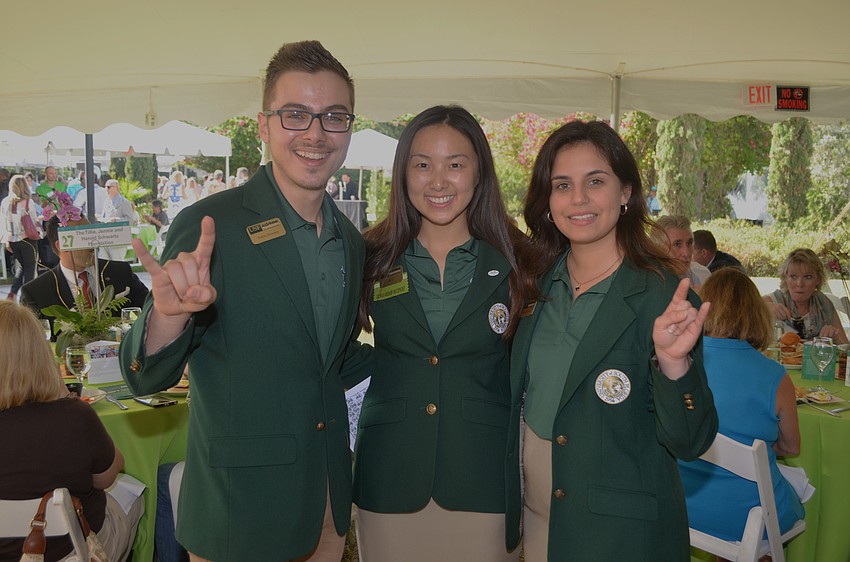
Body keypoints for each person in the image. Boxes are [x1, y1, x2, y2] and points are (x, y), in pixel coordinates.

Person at [119, 39, 365, 562]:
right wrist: (167, 315)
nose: (316, 134)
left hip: (325, 501)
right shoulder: (212, 224)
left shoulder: (351, 238)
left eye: (334, 116)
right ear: (263, 125)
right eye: (295, 115)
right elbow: (145, 375)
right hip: (242, 509)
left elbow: (331, 362)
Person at [506, 120, 718, 561]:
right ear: (548, 200)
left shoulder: (664, 295)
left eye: (595, 182)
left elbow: (691, 441)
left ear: (625, 193)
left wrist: (673, 366)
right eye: (562, 185)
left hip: (619, 534)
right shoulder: (535, 283)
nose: (578, 199)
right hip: (539, 518)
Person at [351, 105, 532, 562]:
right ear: (403, 173)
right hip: (390, 475)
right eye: (422, 164)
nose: (438, 181)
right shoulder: (368, 257)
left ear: (479, 174)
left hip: (483, 476)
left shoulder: (522, 264)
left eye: (455, 164)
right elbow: (327, 346)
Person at [0, 301, 144, 562]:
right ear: (40, 354)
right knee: (133, 494)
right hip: (70, 552)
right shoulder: (73, 416)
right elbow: (108, 476)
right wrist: (64, 395)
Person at [679, 268, 804, 542]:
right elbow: (791, 447)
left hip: (682, 504)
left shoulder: (677, 363)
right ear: (756, 313)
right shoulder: (775, 376)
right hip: (750, 516)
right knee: (796, 487)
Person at [21, 216, 149, 338]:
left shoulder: (120, 272)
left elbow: (150, 309)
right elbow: (33, 344)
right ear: (61, 245)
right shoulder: (36, 292)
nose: (92, 243)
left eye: (92, 233)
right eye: (83, 236)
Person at [763, 248, 848, 343]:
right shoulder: (773, 300)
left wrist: (835, 338)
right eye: (793, 276)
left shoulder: (824, 304)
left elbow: (846, 349)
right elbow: (746, 309)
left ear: (818, 280)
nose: (800, 283)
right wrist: (765, 307)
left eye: (808, 277)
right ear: (785, 278)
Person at [0, 174, 43, 302]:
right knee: (30, 267)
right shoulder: (28, 202)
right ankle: (27, 297)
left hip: (13, 240)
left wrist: (7, 240)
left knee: (23, 267)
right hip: (28, 239)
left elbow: (3, 222)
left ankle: (12, 293)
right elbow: (33, 220)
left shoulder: (5, 202)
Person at [654, 215, 711, 290]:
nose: (686, 253)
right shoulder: (646, 283)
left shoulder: (702, 275)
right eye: (677, 244)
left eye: (689, 243)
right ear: (658, 248)